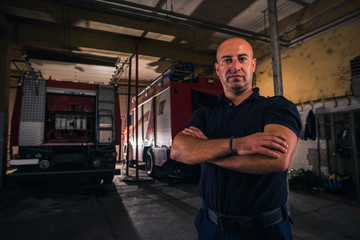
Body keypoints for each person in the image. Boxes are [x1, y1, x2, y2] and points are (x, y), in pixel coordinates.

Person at [170, 38, 301, 240]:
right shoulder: (205, 114)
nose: (235, 66)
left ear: (253, 64)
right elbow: (178, 150)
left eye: (242, 58)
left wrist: (204, 151)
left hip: (266, 231)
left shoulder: (277, 107)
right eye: (227, 60)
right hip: (212, 229)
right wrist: (237, 144)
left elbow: (276, 159)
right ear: (217, 68)